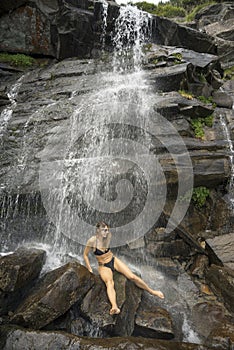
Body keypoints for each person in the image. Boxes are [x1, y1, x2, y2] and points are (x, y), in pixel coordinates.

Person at [83, 221, 164, 315]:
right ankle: (114, 306)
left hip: (113, 260)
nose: (106, 232)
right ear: (98, 231)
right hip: (103, 266)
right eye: (104, 230)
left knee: (132, 276)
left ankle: (152, 291)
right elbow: (85, 255)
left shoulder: (108, 236)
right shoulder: (92, 241)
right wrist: (89, 269)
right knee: (109, 283)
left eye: (107, 230)